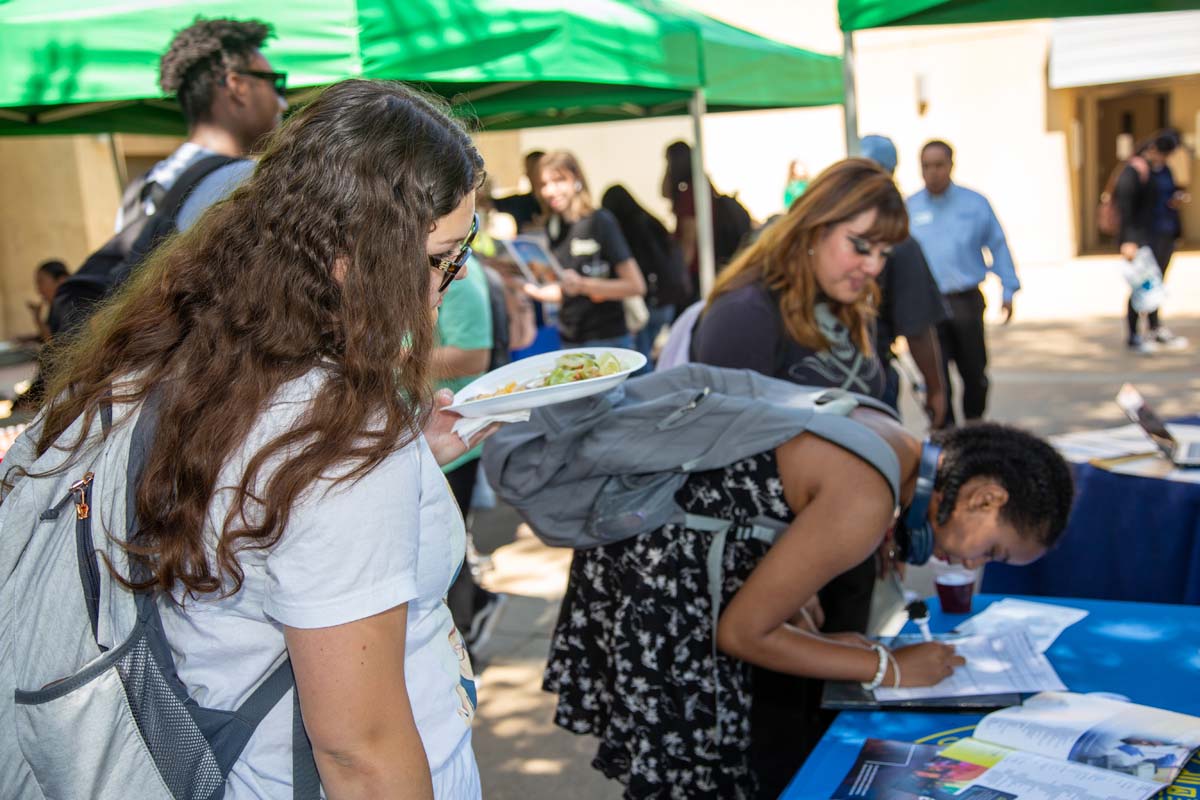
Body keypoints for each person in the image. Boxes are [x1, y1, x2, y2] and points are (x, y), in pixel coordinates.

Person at [25, 80, 488, 798]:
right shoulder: (334, 432)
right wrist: (376, 464)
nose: (441, 289)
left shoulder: (186, 345)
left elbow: (255, 520)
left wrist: (412, 459)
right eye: (438, 259)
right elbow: (359, 752)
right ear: (353, 251)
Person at [543, 396, 1074, 799]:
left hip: (651, 564)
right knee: (695, 779)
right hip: (664, 590)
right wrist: (887, 666)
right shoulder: (869, 500)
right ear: (986, 497)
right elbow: (743, 633)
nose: (975, 566)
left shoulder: (887, 434)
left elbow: (753, 499)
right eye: (994, 551)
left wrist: (809, 622)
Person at [687, 157, 901, 794]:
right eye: (859, 244)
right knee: (780, 756)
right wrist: (776, 569)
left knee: (827, 743)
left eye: (884, 252)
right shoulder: (745, 313)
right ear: (812, 226)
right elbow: (711, 461)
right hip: (768, 583)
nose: (870, 266)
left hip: (838, 561)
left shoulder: (849, 306)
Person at [132, 17, 289, 234]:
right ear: (238, 87)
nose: (283, 103)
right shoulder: (246, 182)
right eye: (275, 83)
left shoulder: (144, 187)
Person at [907, 139, 1019, 425]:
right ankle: (946, 432)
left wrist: (1008, 288)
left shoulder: (974, 204)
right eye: (926, 166)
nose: (932, 172)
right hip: (927, 304)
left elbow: (998, 245)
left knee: (974, 371)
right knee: (936, 374)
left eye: (938, 165)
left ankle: (974, 424)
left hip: (965, 300)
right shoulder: (910, 208)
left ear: (951, 165)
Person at [434, 249, 509, 654]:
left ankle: (469, 624)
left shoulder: (460, 276)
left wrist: (384, 361)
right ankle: (477, 607)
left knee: (449, 548)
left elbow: (473, 354)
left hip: (453, 439)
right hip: (432, 437)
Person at [859, 135, 949, 428]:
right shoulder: (896, 242)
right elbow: (918, 330)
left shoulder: (896, 241)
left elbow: (916, 323)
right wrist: (935, 389)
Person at [524, 151, 647, 349]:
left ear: (576, 179)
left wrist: (583, 285)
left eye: (559, 180)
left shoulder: (600, 221)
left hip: (607, 339)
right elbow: (565, 289)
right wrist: (529, 287)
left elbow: (635, 286)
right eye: (544, 184)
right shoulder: (553, 225)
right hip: (569, 337)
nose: (550, 191)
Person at [1114, 130, 1189, 353]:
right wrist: (1129, 240)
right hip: (1143, 237)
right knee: (1141, 283)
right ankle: (1134, 334)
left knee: (1157, 284)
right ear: (1152, 149)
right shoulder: (1135, 170)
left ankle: (1155, 328)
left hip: (1164, 232)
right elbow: (1125, 207)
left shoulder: (1163, 169)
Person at [601, 185, 688, 366]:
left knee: (639, 359)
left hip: (651, 302)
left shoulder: (630, 231)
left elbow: (639, 269)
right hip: (668, 299)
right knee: (648, 353)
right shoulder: (651, 221)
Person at [662, 140, 753, 304]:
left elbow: (690, 238)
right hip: (710, 263)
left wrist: (681, 274)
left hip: (697, 271)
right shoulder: (701, 186)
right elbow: (665, 192)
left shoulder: (690, 193)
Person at [492, 150, 546, 232]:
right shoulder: (520, 202)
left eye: (533, 170)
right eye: (528, 169)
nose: (527, 174)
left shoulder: (556, 205)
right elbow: (491, 203)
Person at [26, 259, 70, 343]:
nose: (39, 290)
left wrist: (37, 318)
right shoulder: (56, 304)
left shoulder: (70, 304)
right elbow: (52, 333)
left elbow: (53, 343)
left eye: (41, 282)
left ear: (61, 280)